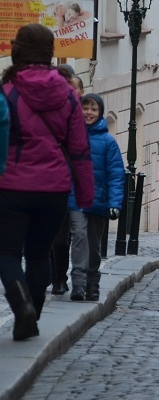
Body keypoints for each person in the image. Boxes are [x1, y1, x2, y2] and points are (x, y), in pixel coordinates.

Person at [0, 24, 94, 341]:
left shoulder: (8, 91)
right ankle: (33, 316)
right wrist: (85, 194)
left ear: (19, 51)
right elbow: (79, 149)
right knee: (40, 255)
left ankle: (21, 306)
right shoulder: (67, 94)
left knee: (7, 254)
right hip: (54, 188)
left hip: (12, 187)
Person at [67, 93, 124, 301]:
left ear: (99, 113)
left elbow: (116, 175)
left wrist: (115, 203)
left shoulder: (108, 142)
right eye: (85, 108)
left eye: (93, 109)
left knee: (94, 243)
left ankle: (93, 283)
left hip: (98, 200)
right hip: (74, 199)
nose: (89, 112)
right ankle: (78, 285)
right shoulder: (70, 136)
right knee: (79, 237)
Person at [49, 68, 84, 295]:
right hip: (56, 185)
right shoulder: (54, 114)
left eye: (74, 88)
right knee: (57, 237)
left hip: (79, 189)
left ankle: (80, 281)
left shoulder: (89, 115)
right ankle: (58, 278)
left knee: (80, 236)